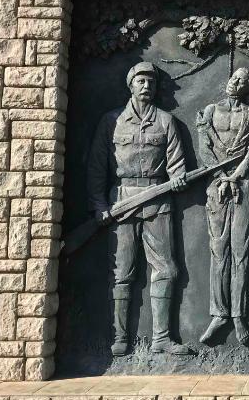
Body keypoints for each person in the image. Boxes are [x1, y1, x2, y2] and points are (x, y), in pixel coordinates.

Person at [88, 61, 190, 356]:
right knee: (122, 271)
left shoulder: (166, 121)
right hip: (122, 203)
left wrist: (179, 178)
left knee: (167, 269)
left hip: (158, 201)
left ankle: (161, 338)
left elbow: (176, 165)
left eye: (151, 82)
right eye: (141, 81)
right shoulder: (112, 121)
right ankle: (120, 337)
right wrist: (99, 205)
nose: (147, 86)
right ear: (130, 85)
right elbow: (97, 168)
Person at [196, 67, 249, 346]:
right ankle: (219, 314)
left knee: (241, 251)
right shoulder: (210, 112)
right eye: (233, 78)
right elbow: (204, 148)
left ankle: (238, 314)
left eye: (242, 82)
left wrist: (234, 177)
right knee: (218, 251)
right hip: (216, 186)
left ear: (247, 88)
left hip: (243, 186)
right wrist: (221, 177)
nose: (235, 83)